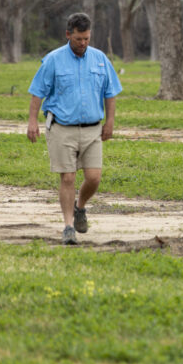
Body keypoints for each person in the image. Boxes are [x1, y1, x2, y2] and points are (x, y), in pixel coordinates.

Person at [27, 13, 122, 245]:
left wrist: (110, 122)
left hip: (92, 129)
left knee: (94, 178)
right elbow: (38, 91)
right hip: (61, 128)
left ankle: (80, 207)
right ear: (68, 35)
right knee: (68, 178)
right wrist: (32, 122)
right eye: (79, 39)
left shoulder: (100, 59)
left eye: (87, 38)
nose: (83, 43)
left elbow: (110, 93)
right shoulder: (53, 59)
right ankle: (68, 226)